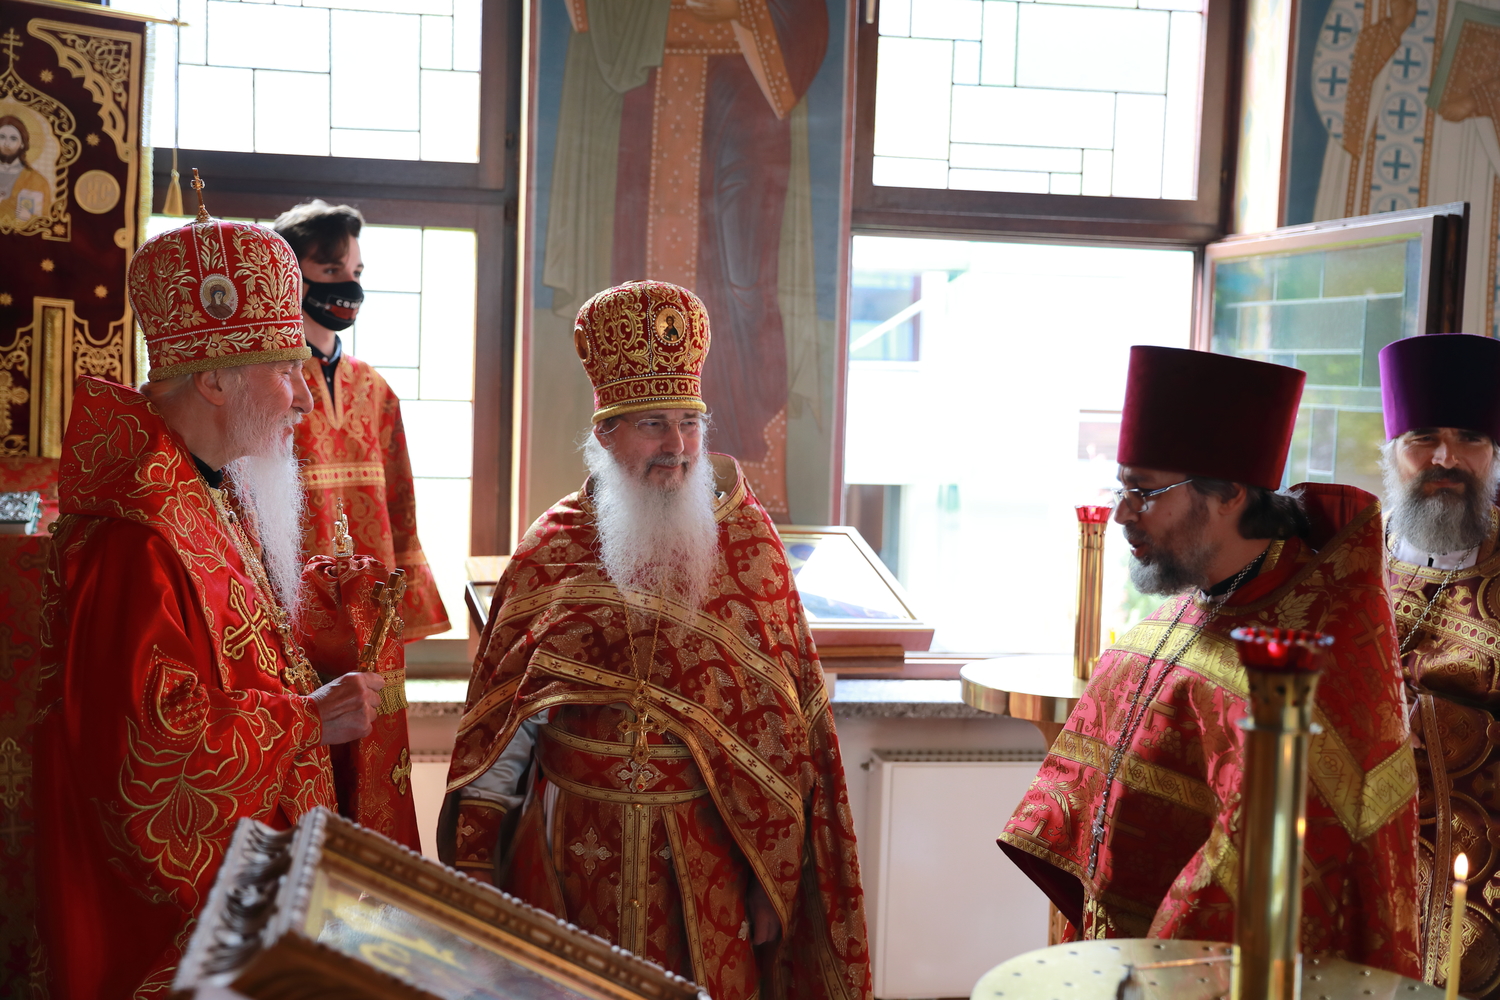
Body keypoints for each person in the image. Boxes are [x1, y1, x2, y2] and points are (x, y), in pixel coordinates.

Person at [442, 280, 871, 1000]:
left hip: (708, 860)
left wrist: (771, 882)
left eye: (689, 423)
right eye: (652, 425)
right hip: (570, 854)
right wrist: (479, 863)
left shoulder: (748, 546)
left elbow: (781, 735)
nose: (677, 447)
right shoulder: (553, 548)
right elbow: (505, 723)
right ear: (606, 434)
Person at [31, 205, 385, 998]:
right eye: (286, 369)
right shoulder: (134, 535)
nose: (305, 399)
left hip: (256, 885)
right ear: (218, 379)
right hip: (178, 932)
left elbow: (240, 648)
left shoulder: (208, 490)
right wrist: (308, 719)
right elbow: (143, 760)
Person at [999, 346, 1420, 976]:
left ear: (1228, 495)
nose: (1122, 513)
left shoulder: (1312, 658)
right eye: (1121, 489)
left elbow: (1276, 861)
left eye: (1144, 492)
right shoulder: (1175, 617)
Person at [1379, 333, 1500, 995]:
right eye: (1423, 437)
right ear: (1392, 450)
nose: (1446, 458)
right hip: (1364, 859)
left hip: (1483, 878)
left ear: (1493, 454)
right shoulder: (1343, 555)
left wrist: (1435, 719)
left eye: (1469, 439)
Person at [272, 200, 449, 640]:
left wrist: (407, 593)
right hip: (290, 600)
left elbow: (400, 501)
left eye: (356, 272)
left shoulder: (374, 387)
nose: (349, 285)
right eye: (332, 270)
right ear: (289, 277)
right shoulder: (267, 382)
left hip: (372, 596)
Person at [0, 116, 50, 224]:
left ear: (22, 144)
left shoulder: (37, 181)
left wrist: (29, 218)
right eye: (2, 137)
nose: (6, 144)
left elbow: (46, 220)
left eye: (13, 139)